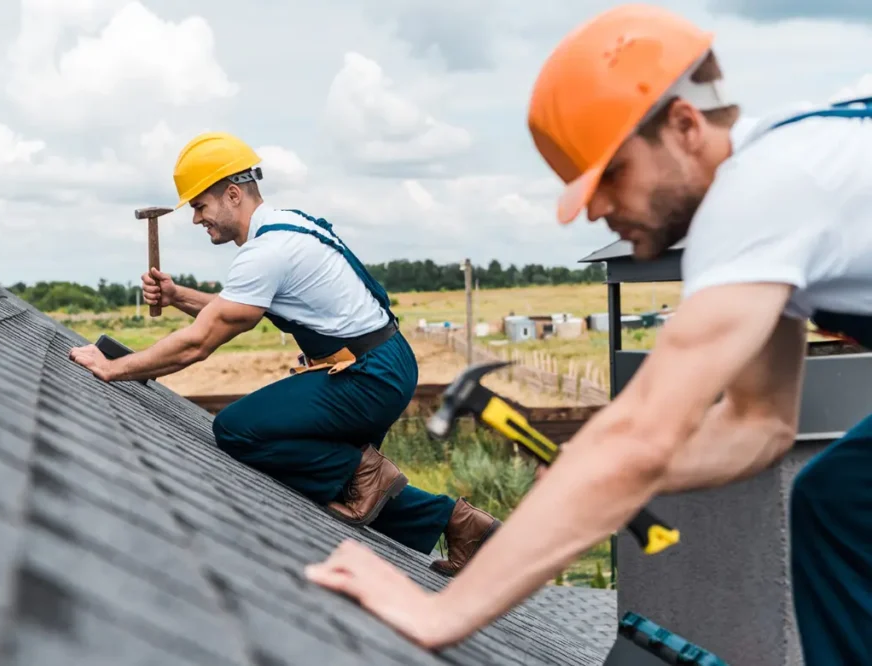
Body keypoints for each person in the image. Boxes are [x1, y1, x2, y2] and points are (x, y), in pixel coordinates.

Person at [303, 5, 872, 664]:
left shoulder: (759, 196)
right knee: (838, 503)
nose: (597, 209)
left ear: (684, 125)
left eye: (613, 175)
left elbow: (640, 435)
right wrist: (591, 481)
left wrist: (445, 613)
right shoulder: (789, 182)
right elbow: (757, 425)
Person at [69, 130, 501, 575]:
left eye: (199, 206)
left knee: (240, 429)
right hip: (384, 363)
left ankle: (365, 471)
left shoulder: (267, 251)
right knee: (346, 486)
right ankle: (464, 526)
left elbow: (200, 341)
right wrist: (177, 294)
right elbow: (232, 310)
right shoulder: (291, 225)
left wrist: (113, 367)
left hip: (369, 377)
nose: (197, 219)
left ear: (232, 194)